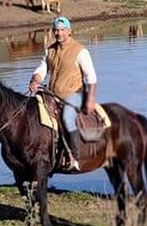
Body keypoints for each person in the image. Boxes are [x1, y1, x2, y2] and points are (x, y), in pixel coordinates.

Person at [28, 16, 97, 171]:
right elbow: (42, 69)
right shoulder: (50, 50)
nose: (59, 33)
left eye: (62, 30)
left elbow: (90, 77)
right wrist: (35, 80)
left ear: (69, 31)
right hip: (51, 94)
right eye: (56, 30)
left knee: (67, 117)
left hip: (75, 94)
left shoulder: (80, 51)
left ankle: (75, 157)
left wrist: (90, 98)